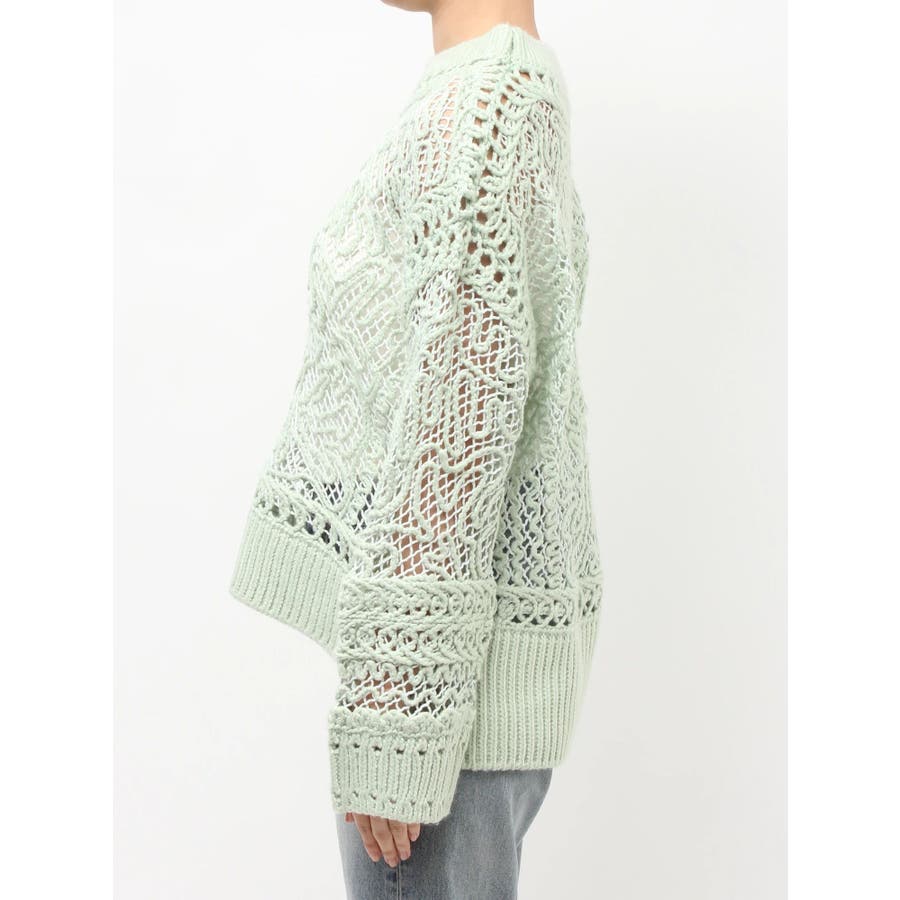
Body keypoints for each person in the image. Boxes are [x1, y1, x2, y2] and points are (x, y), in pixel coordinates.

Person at [228, 2, 604, 896]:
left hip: (439, 710)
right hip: (456, 691)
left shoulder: (486, 104)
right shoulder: (504, 87)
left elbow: (458, 424)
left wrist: (399, 711)